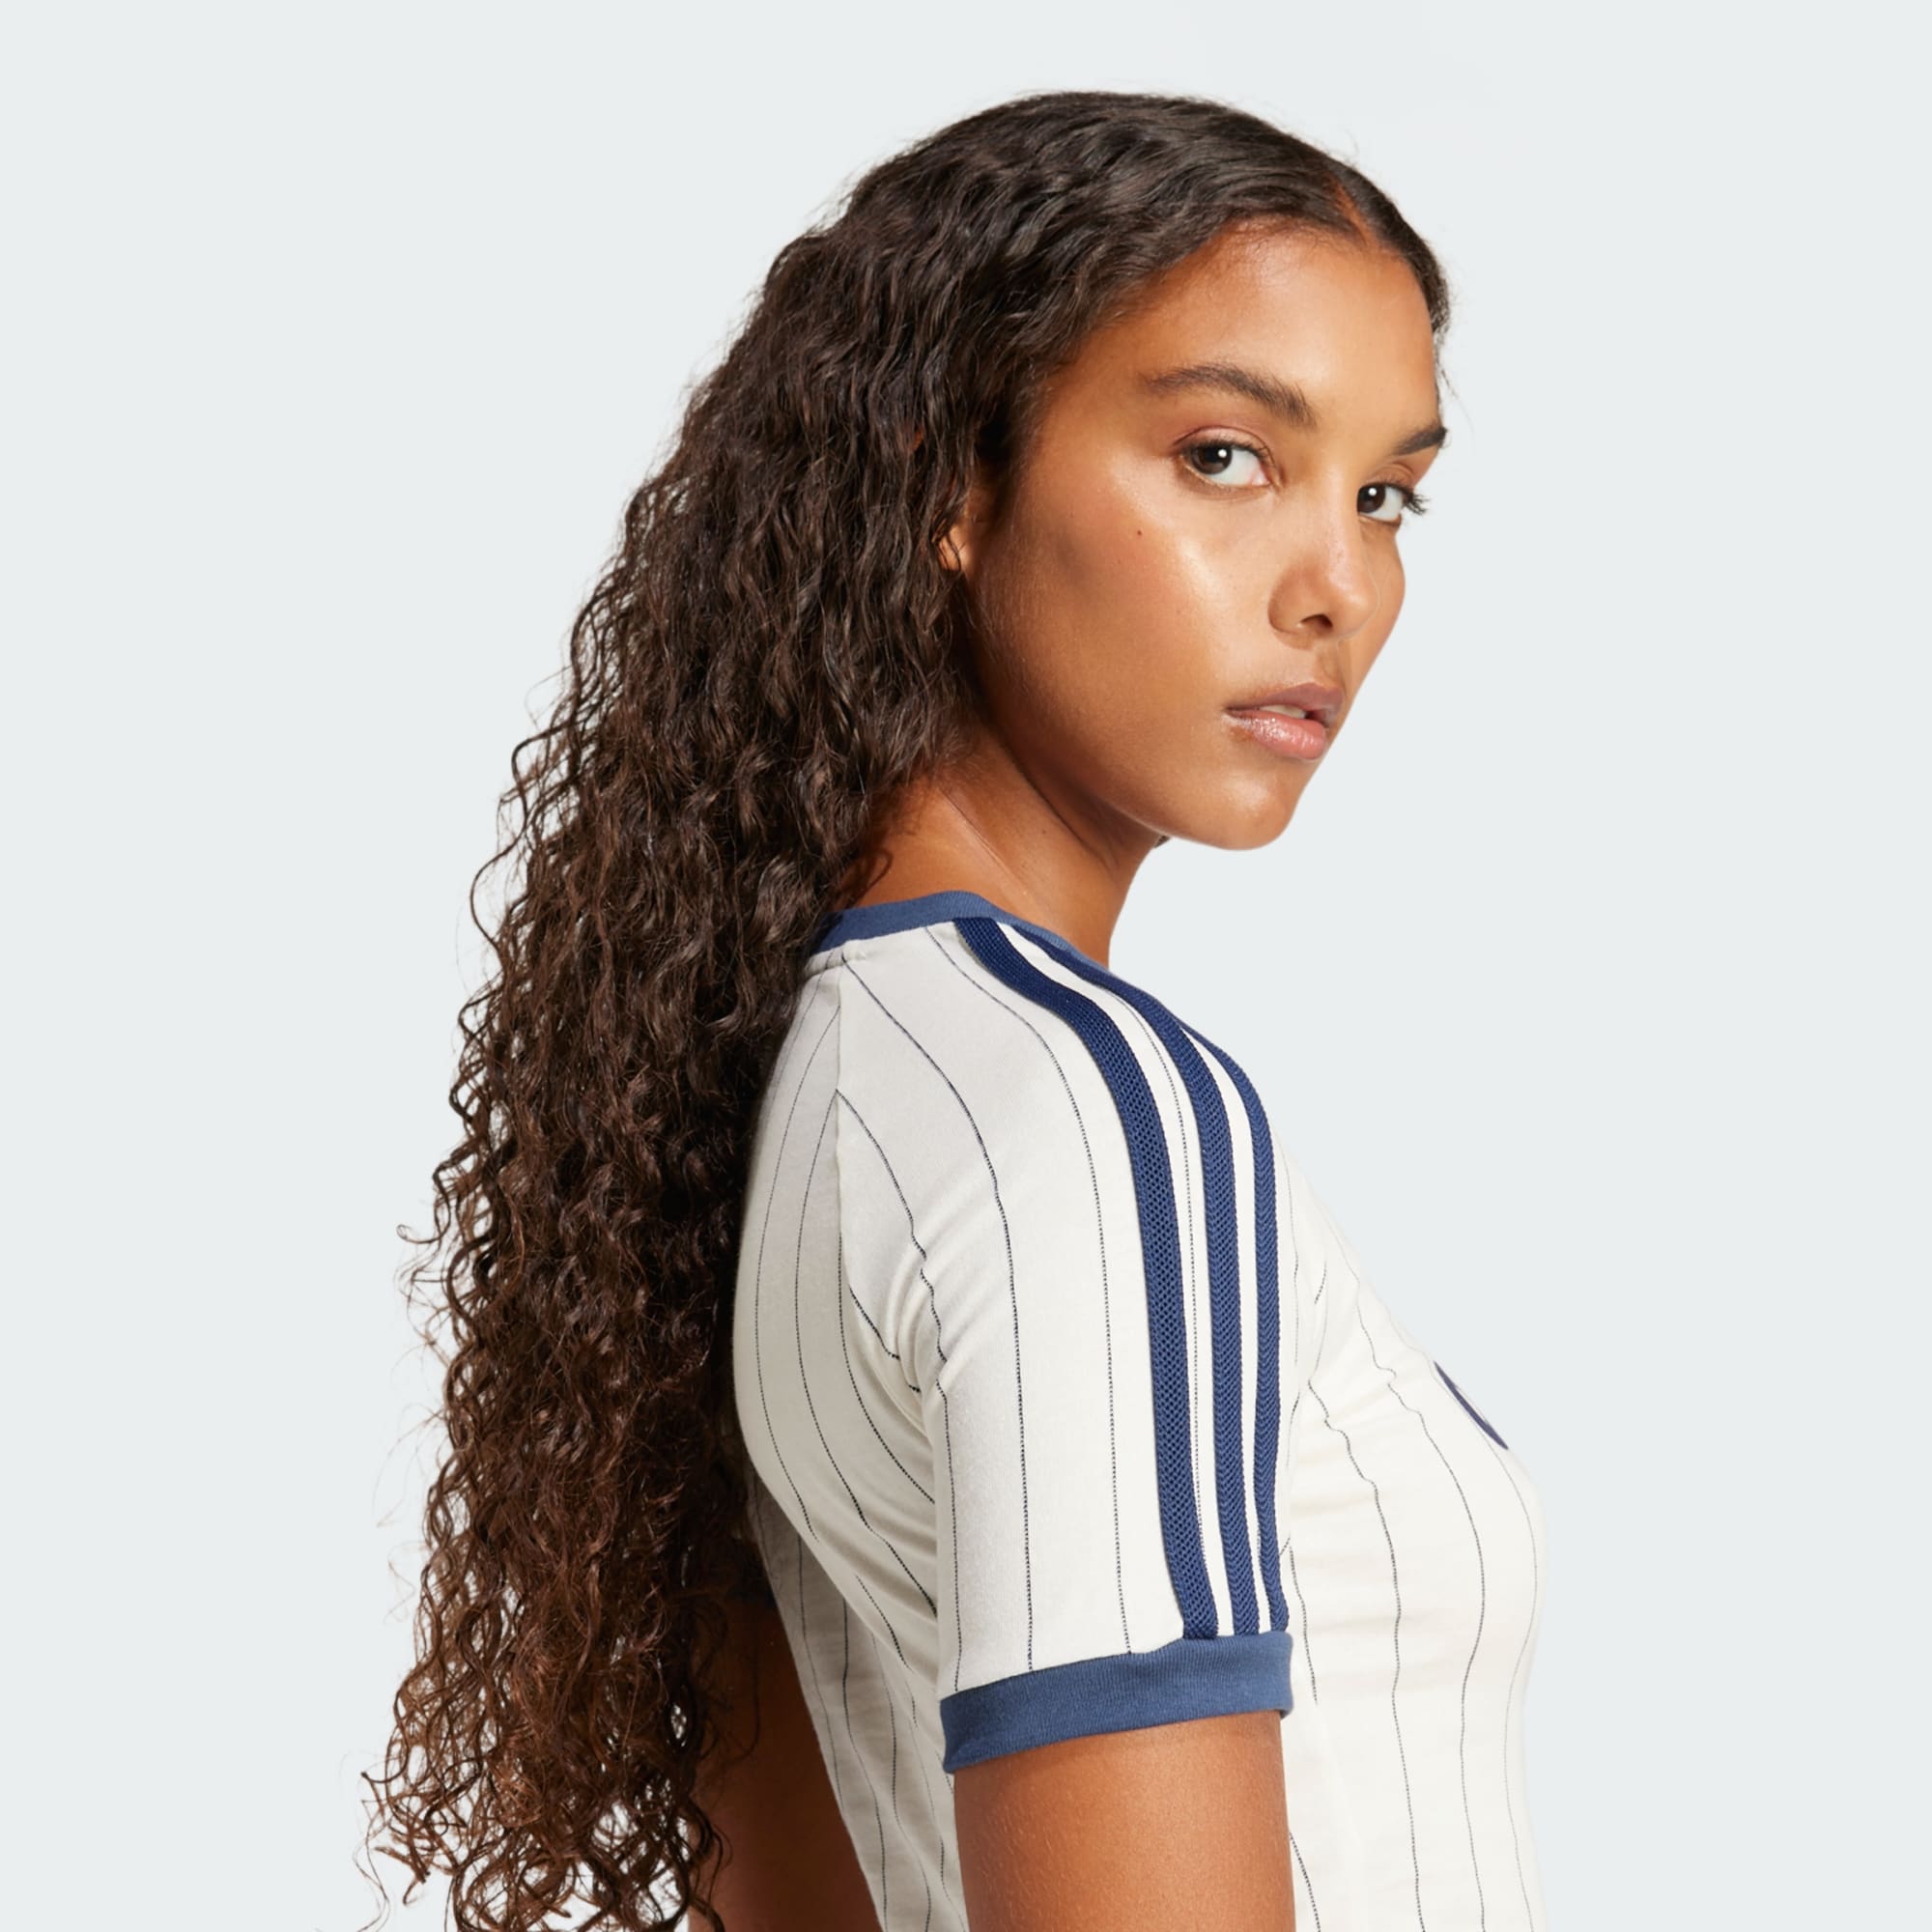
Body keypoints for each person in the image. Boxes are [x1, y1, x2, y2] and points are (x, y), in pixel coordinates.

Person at [364, 89, 1547, 1932]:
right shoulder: (1098, 1122)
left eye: (1385, 494)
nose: (1342, 590)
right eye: (1226, 456)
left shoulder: (800, 1087)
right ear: (950, 487)